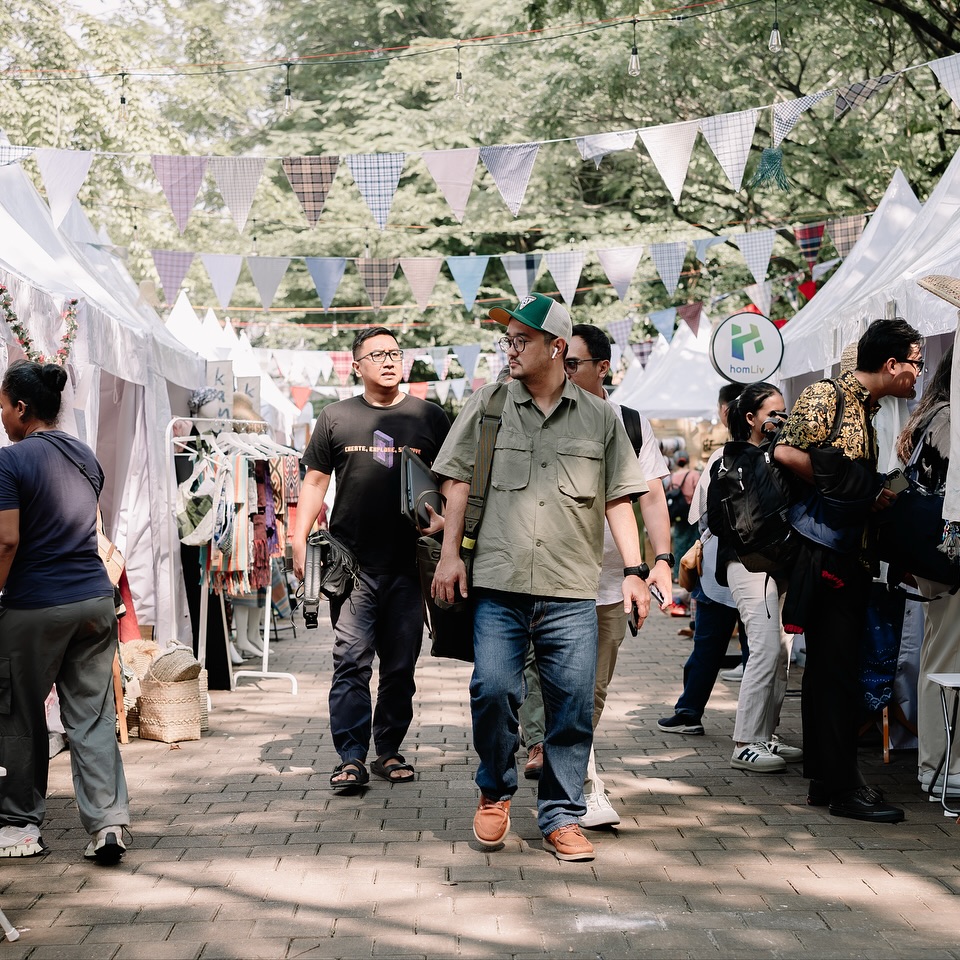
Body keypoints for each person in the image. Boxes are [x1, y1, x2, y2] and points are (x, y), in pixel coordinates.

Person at [431, 294, 649, 862]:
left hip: (571, 589)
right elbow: (454, 484)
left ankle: (561, 815)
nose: (511, 347)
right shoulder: (487, 405)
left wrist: (635, 571)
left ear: (557, 347)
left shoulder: (601, 417)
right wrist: (449, 555)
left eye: (522, 339)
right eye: (508, 339)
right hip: (499, 584)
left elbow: (621, 499)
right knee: (493, 689)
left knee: (571, 705)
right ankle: (494, 792)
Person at [517, 322, 673, 828]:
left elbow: (650, 497)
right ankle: (581, 785)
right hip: (549, 577)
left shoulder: (628, 423)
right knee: (548, 678)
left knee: (592, 690)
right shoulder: (533, 413)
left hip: (609, 580)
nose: (562, 370)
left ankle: (566, 760)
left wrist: (660, 561)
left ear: (602, 368)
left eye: (574, 363)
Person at [775, 316, 923, 823]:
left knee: (828, 670)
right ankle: (842, 787)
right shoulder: (826, 396)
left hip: (847, 552)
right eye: (915, 363)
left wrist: (870, 495)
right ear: (890, 363)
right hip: (824, 554)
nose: (918, 375)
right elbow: (784, 451)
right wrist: (853, 487)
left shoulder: (867, 407)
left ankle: (825, 777)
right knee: (836, 671)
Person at [293, 327, 450, 791]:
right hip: (352, 565)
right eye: (377, 354)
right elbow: (317, 480)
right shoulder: (336, 417)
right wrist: (298, 537)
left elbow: (453, 481)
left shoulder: (430, 415)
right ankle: (351, 756)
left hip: (411, 564)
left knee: (400, 667)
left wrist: (448, 529)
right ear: (356, 364)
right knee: (351, 662)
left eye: (395, 353)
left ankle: (389, 749)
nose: (389, 360)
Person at [0, 360, 129, 863]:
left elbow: (7, 541)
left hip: (35, 604)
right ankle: (108, 824)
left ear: (23, 408)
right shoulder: (84, 455)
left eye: (4, 405)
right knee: (92, 715)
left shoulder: (10, 462)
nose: (3, 416)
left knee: (18, 716)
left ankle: (19, 827)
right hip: (95, 601)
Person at [709, 382, 801, 773]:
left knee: (780, 652)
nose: (781, 420)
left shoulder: (773, 456)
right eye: (773, 413)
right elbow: (716, 521)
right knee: (763, 649)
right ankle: (744, 741)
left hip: (776, 565)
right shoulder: (734, 460)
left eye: (785, 412)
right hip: (750, 565)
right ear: (750, 418)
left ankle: (765, 734)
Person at [659, 383, 748, 736]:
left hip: (737, 567)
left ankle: (696, 712)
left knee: (718, 646)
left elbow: (702, 518)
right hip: (728, 568)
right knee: (713, 644)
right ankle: (691, 711)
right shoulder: (727, 456)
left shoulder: (740, 456)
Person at [893, 345, 960, 796]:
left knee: (940, 654)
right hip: (948, 553)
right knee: (948, 659)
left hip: (934, 555)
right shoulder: (949, 417)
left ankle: (936, 765)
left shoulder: (935, 412)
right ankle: (942, 768)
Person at [667, 454, 700, 582]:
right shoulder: (694, 474)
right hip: (692, 512)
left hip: (678, 513)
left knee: (679, 542)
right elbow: (699, 492)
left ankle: (677, 575)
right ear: (688, 461)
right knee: (694, 542)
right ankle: (692, 574)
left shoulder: (673, 477)